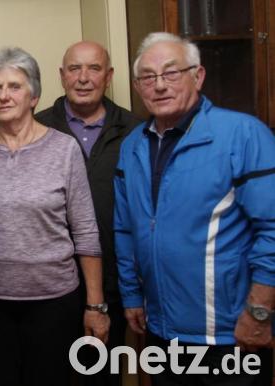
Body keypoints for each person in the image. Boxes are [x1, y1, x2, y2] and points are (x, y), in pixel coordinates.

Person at [115, 32, 275, 385]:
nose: (160, 85)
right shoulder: (132, 147)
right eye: (148, 77)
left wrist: (259, 312)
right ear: (138, 87)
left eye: (171, 73)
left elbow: (273, 229)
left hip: (230, 335)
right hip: (161, 333)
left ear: (198, 76)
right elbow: (126, 229)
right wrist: (131, 295)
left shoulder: (243, 134)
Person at [0, 47, 109, 386]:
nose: (4, 95)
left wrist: (95, 306)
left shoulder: (64, 149)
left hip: (55, 303)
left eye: (14, 86)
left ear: (34, 96)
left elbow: (86, 230)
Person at [35, 41, 142, 386]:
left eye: (93, 68)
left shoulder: (136, 131)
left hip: (114, 284)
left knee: (100, 377)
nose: (83, 78)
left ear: (108, 76)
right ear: (61, 75)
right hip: (49, 289)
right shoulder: (35, 128)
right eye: (74, 69)